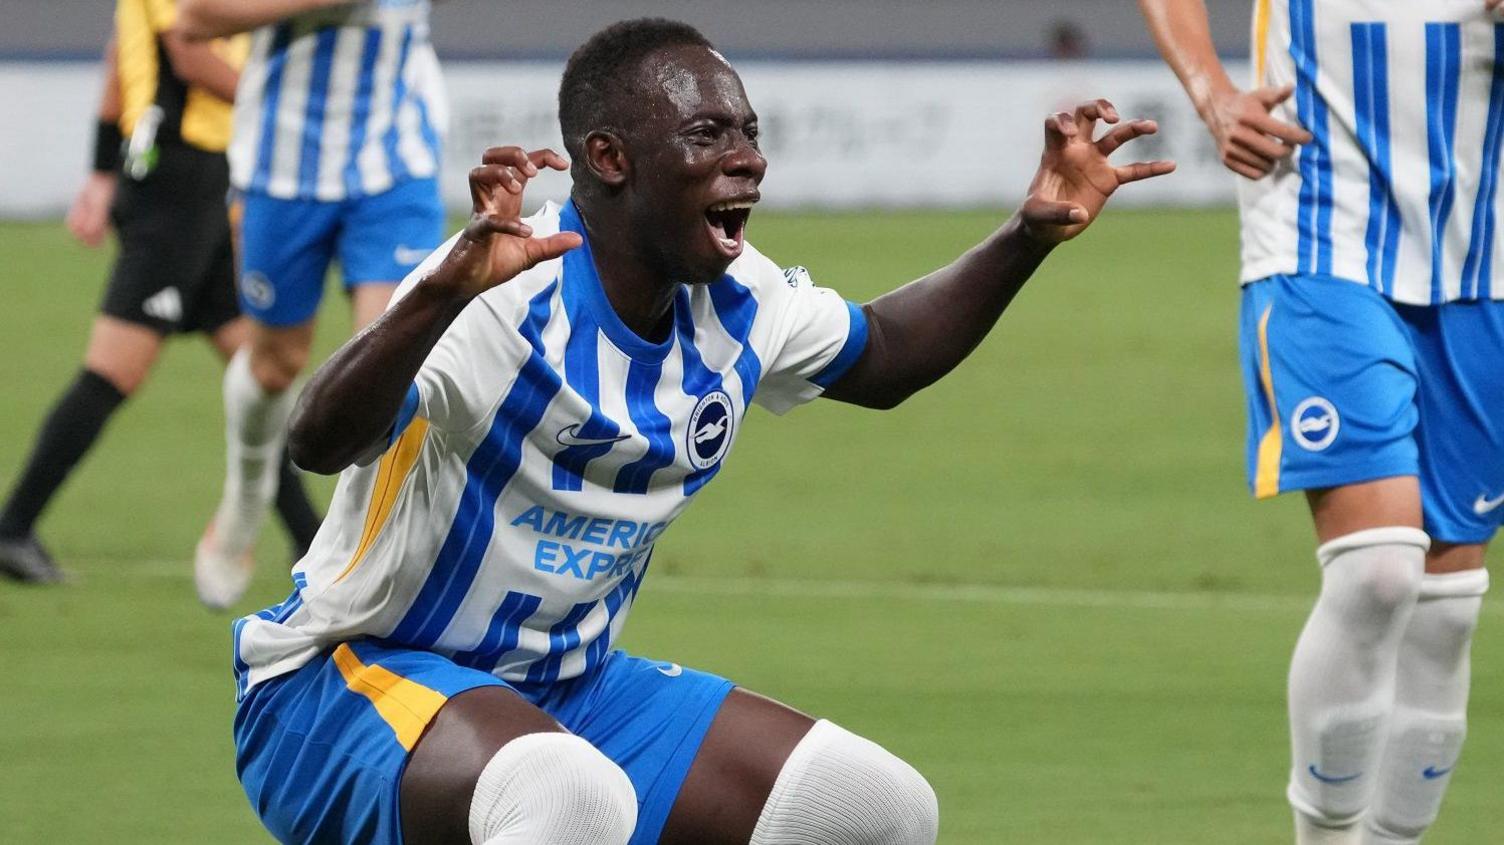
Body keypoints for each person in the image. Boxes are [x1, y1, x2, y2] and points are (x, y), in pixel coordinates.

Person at [230, 18, 1173, 845]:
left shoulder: (742, 299)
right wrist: (434, 295)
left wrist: (1026, 234)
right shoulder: (499, 293)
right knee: (569, 798)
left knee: (879, 809)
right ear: (610, 158)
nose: (749, 156)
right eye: (709, 132)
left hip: (569, 694)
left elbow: (883, 353)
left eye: (751, 133)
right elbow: (318, 439)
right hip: (344, 685)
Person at [1139, 1, 1503, 842]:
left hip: (1482, 248)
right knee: (1376, 574)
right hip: (1318, 226)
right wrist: (1211, 91)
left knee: (1447, 612)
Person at [0, 0, 320, 586]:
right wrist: (288, 101)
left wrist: (101, 172)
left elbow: (119, 59)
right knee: (114, 370)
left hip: (194, 180)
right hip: (178, 185)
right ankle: (11, 528)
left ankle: (313, 543)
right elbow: (188, 55)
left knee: (260, 370)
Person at [176, 0, 447, 608]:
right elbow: (193, 19)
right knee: (275, 363)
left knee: (393, 359)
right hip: (284, 169)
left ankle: (357, 557)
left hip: (394, 166)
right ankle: (247, 493)